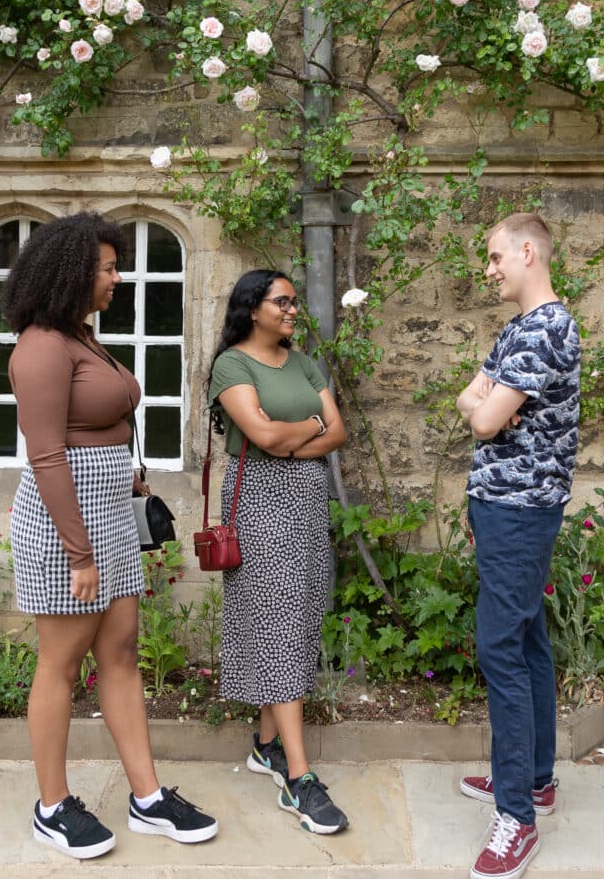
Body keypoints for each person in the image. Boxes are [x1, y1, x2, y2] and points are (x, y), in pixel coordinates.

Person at [5, 211, 217, 860]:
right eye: (107, 267)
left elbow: (94, 431)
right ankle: (52, 806)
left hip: (109, 520)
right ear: (71, 272)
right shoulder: (41, 346)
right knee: (61, 665)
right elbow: (46, 456)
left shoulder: (82, 339)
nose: (116, 277)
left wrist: (124, 482)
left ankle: (148, 798)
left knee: (120, 654)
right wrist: (79, 553)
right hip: (64, 531)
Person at [453, 212, 580, 879]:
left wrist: (485, 407)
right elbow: (469, 398)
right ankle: (534, 779)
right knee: (527, 640)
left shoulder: (542, 331)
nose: (490, 268)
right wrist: (483, 405)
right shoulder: (519, 330)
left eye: (498, 256)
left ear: (529, 251)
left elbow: (483, 417)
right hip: (506, 506)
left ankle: (517, 820)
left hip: (518, 510)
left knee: (500, 647)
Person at [206, 269, 350, 834]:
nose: (292, 310)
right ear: (253, 307)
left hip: (308, 499)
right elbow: (262, 439)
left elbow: (337, 433)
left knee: (296, 615)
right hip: (260, 503)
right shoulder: (232, 365)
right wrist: (308, 425)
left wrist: (299, 431)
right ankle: (299, 777)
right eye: (282, 301)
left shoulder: (301, 359)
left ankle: (265, 745)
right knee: (278, 623)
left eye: (294, 302)